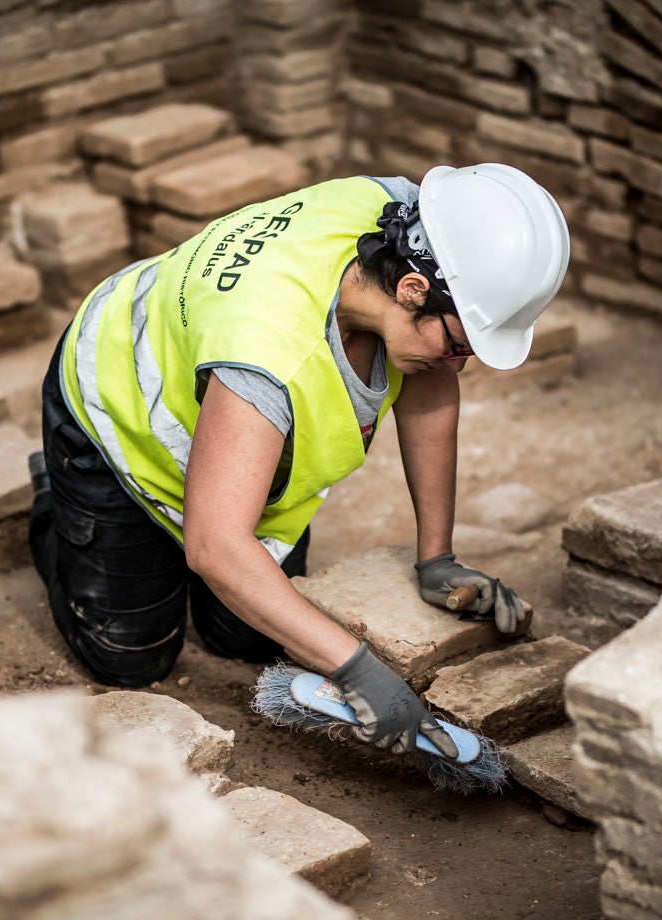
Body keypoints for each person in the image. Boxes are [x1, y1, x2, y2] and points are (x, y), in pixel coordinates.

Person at [28, 163, 570, 758]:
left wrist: (436, 558)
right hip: (118, 402)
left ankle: (203, 504)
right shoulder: (268, 353)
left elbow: (432, 387)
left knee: (250, 638)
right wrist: (358, 670)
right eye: (459, 344)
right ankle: (60, 497)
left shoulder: (411, 224)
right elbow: (215, 549)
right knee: (129, 658)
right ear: (412, 292)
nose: (459, 364)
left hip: (236, 418)